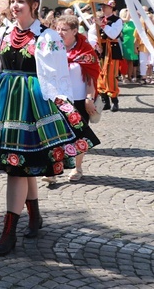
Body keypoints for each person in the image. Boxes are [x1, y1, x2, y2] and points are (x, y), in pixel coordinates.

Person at [0, 0, 83, 256]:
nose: (15, 6)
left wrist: (62, 107)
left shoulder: (47, 36)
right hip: (4, 104)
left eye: (20, 2)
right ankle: (34, 216)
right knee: (21, 165)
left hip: (32, 105)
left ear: (33, 5)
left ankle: (8, 231)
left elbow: (56, 74)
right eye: (13, 1)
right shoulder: (2, 33)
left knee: (19, 166)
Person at [47, 15, 101, 184]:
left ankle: (77, 168)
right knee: (55, 136)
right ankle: (52, 171)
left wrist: (89, 98)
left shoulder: (86, 50)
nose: (59, 32)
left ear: (75, 31)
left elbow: (91, 78)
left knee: (79, 136)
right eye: (58, 29)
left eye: (64, 29)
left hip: (79, 99)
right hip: (59, 99)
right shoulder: (53, 49)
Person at [95, 0, 123, 111]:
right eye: (102, 7)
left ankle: (114, 101)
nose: (103, 8)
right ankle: (105, 101)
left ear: (111, 8)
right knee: (100, 75)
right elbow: (93, 35)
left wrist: (102, 25)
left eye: (105, 7)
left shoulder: (117, 20)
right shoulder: (100, 20)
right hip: (102, 50)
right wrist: (96, 45)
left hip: (112, 50)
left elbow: (113, 34)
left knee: (111, 76)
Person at [119, 8, 138, 83]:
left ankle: (129, 76)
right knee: (124, 61)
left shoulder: (133, 22)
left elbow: (137, 34)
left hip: (132, 43)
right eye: (126, 12)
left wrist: (136, 45)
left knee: (131, 61)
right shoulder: (121, 22)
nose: (128, 13)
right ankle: (123, 76)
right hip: (124, 43)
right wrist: (129, 8)